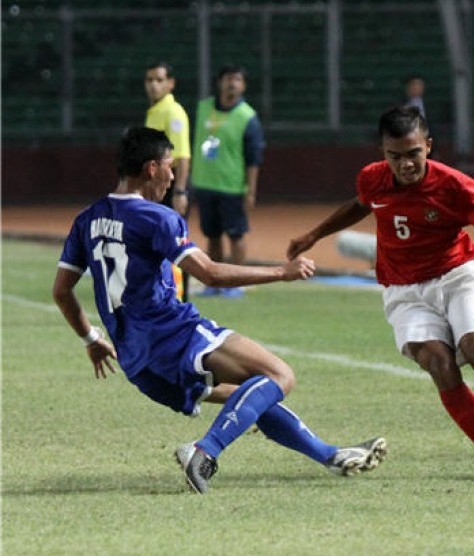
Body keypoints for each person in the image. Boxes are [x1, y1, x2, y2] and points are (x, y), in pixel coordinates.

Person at [52, 127, 387, 494]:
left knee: (249, 397)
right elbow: (209, 272)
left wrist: (91, 338)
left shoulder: (87, 219)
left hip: (137, 361)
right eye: (169, 166)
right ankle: (203, 451)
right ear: (151, 168)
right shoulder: (156, 217)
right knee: (279, 375)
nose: (173, 175)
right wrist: (282, 271)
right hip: (171, 335)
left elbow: (62, 291)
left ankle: (331, 456)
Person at [287, 105, 474, 479]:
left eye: (413, 154)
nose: (405, 164)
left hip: (457, 275)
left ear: (428, 146)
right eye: (394, 156)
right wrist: (313, 235)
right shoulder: (372, 178)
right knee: (439, 365)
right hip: (404, 290)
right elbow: (360, 206)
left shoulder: (456, 185)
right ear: (383, 153)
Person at [191, 64, 265, 297]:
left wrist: (250, 190)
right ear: (219, 82)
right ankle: (214, 281)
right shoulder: (204, 108)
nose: (232, 83)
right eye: (228, 79)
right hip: (205, 184)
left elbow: (254, 158)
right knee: (212, 235)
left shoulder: (247, 117)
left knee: (236, 235)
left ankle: (236, 283)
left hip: (232, 186)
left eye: (237, 80)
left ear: (243, 85)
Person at [144, 61, 191, 301]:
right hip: (156, 188)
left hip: (170, 186)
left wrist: (180, 190)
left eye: (159, 80)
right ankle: (164, 291)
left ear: (170, 84)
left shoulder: (173, 113)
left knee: (176, 243)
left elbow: (181, 154)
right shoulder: (154, 111)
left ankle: (179, 296)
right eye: (150, 80)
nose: (154, 85)